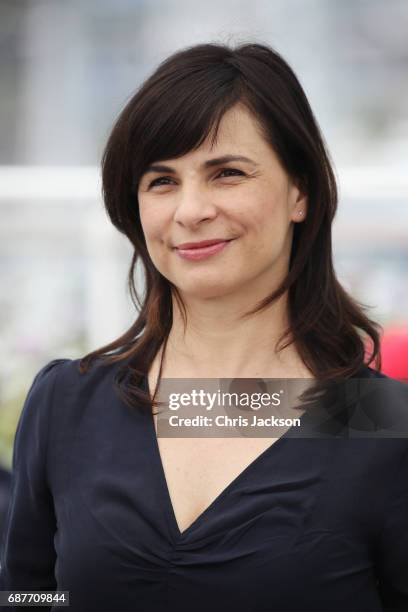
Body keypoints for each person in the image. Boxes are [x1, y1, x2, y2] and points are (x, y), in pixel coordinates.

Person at [0, 41, 407, 612]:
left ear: (301, 192)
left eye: (227, 173)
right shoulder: (68, 402)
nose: (190, 211)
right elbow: (25, 594)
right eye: (161, 181)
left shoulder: (383, 425)